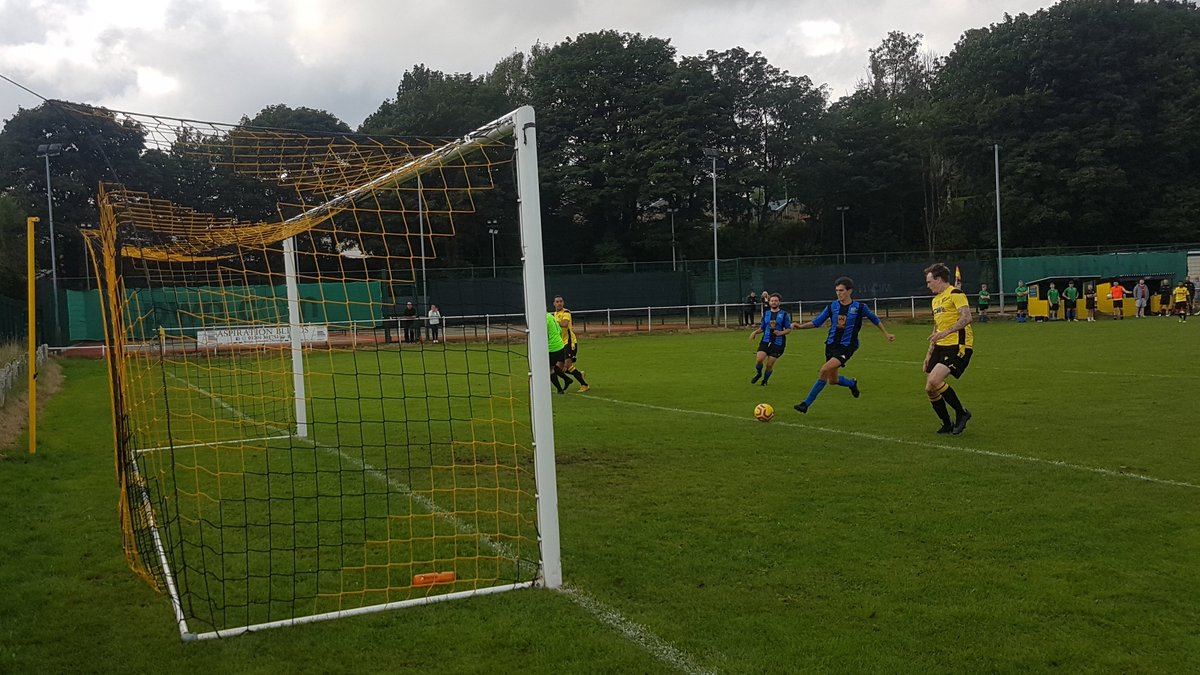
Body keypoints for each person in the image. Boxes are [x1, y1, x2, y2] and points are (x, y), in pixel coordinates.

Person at [791, 277, 896, 414]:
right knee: (832, 380)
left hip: (847, 347)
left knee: (823, 370)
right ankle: (852, 383)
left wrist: (886, 334)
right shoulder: (832, 306)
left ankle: (805, 404)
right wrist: (800, 326)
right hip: (831, 345)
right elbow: (817, 322)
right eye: (836, 291)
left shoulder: (859, 307)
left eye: (841, 290)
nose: (838, 293)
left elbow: (874, 319)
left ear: (849, 291)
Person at [923, 263, 974, 435]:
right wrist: (929, 353)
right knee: (930, 388)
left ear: (938, 279)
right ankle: (947, 424)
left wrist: (945, 333)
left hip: (958, 345)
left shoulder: (956, 294)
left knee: (935, 381)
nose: (927, 285)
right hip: (940, 346)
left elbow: (967, 318)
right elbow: (936, 327)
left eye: (929, 281)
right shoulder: (935, 300)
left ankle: (962, 413)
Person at [749, 292, 792, 386]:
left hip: (778, 343)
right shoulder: (766, 314)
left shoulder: (784, 314)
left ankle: (765, 380)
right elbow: (762, 328)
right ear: (769, 302)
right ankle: (759, 373)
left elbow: (788, 329)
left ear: (779, 302)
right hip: (765, 340)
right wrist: (755, 332)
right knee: (759, 359)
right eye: (772, 301)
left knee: (769, 365)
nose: (774, 302)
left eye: (776, 301)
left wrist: (780, 333)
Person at [553, 295, 590, 392]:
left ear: (563, 303)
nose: (559, 303)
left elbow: (565, 324)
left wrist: (554, 322)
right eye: (557, 301)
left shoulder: (566, 312)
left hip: (569, 343)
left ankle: (584, 385)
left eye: (561, 301)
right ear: (554, 304)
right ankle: (579, 374)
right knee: (558, 368)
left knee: (568, 365)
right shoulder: (555, 314)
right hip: (560, 344)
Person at [546, 312, 572, 394]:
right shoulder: (550, 316)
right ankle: (567, 379)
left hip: (552, 347)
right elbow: (559, 330)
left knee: (549, 369)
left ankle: (560, 390)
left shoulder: (543, 319)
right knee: (554, 366)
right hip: (560, 345)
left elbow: (544, 333)